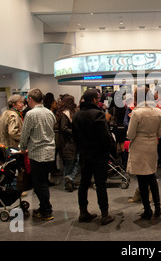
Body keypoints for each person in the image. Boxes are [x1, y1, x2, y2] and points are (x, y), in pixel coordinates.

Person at [72, 89, 115, 224]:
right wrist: (111, 151)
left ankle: (83, 212)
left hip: (84, 155)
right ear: (95, 100)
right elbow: (105, 137)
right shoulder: (98, 114)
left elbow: (75, 137)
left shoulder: (77, 116)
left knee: (84, 183)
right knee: (100, 184)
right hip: (99, 155)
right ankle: (105, 214)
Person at [127, 87, 161, 219]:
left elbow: (130, 134)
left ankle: (147, 210)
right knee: (152, 178)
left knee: (142, 180)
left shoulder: (137, 113)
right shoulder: (158, 112)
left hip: (139, 147)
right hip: (152, 147)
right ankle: (158, 208)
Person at [19, 88, 56, 221]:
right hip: (49, 151)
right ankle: (43, 207)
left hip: (37, 152)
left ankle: (46, 210)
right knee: (44, 181)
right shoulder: (49, 112)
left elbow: (24, 134)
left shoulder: (30, 114)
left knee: (39, 183)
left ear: (30, 99)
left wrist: (22, 148)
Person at [56, 95, 79, 192]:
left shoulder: (64, 113)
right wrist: (75, 131)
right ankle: (69, 180)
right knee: (71, 163)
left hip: (68, 143)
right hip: (68, 143)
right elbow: (64, 128)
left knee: (73, 162)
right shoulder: (66, 114)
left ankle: (70, 180)